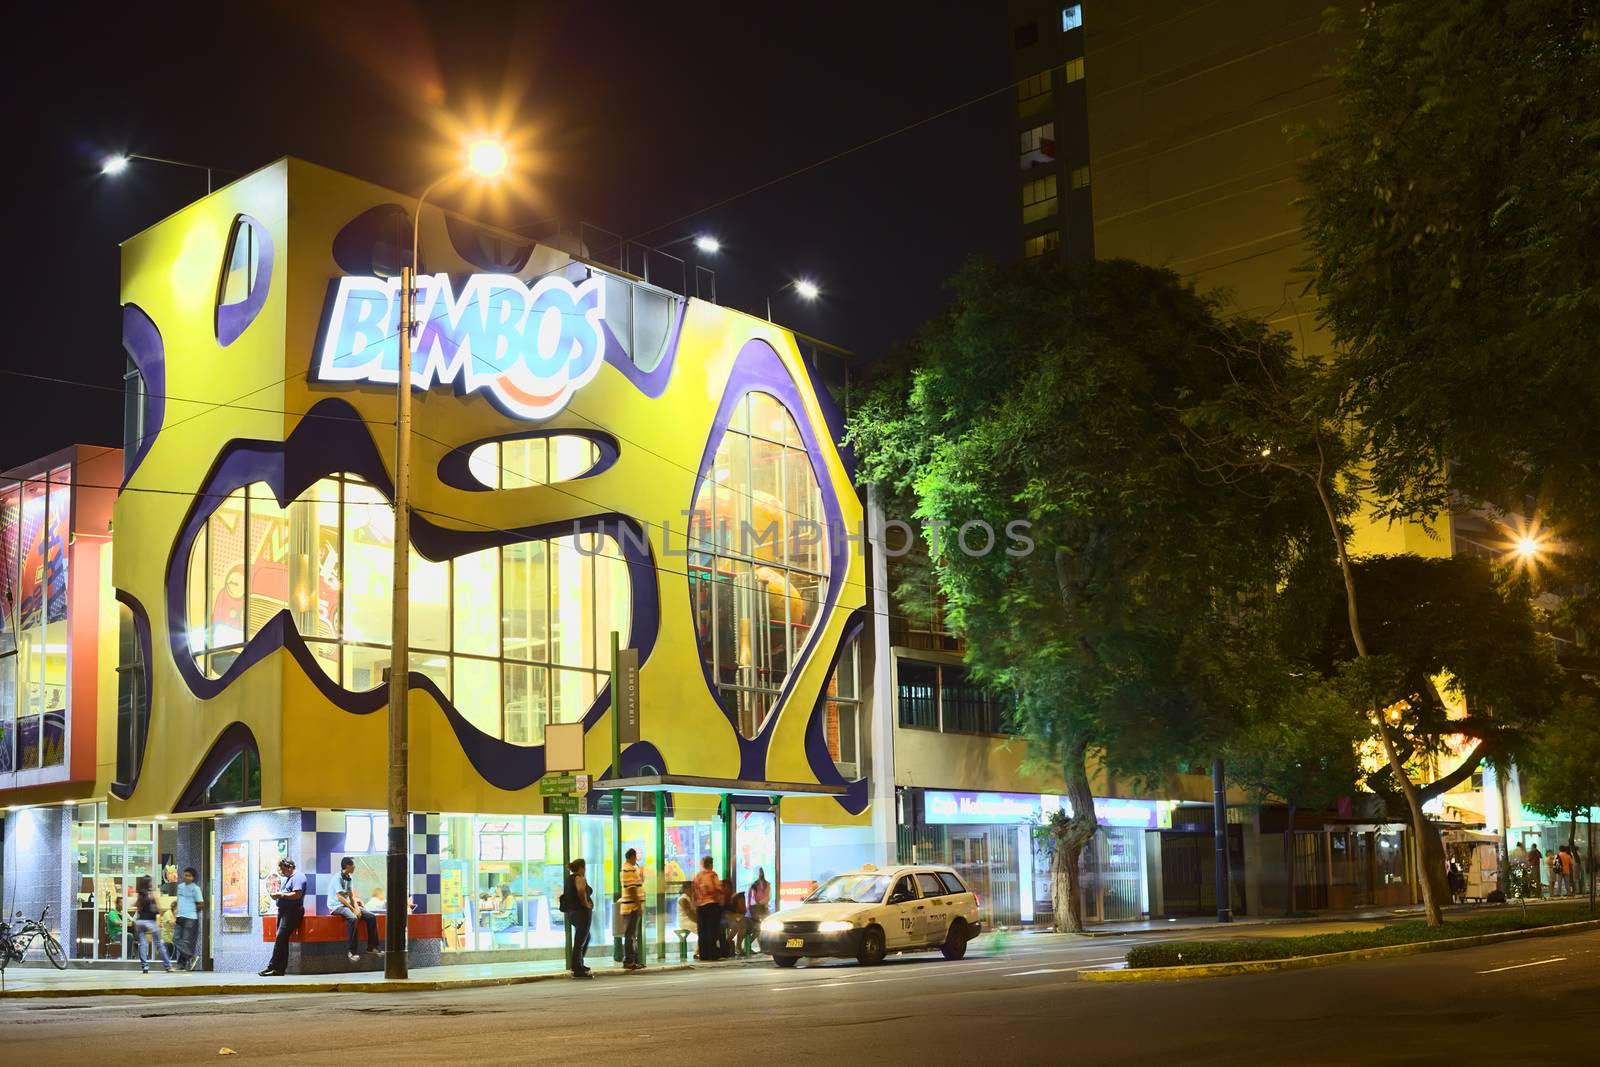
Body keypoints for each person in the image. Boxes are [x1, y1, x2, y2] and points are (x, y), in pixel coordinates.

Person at [259, 857, 306, 977]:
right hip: (284, 911)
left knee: (280, 937)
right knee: (282, 940)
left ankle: (272, 966)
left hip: (293, 911)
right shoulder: (288, 878)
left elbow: (297, 894)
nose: (282, 872)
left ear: (290, 867)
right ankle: (279, 969)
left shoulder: (298, 877)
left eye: (283, 870)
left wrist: (281, 895)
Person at [330, 857, 383, 963]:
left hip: (347, 904)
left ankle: (372, 947)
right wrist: (353, 910)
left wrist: (357, 908)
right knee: (353, 918)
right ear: (348, 866)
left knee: (371, 917)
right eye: (353, 865)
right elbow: (340, 897)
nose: (354, 867)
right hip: (336, 906)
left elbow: (351, 896)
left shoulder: (349, 877)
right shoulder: (337, 878)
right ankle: (352, 951)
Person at [561, 858, 594, 977]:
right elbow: (580, 891)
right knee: (580, 940)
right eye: (584, 867)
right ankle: (577, 967)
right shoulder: (579, 878)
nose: (585, 870)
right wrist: (586, 903)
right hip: (581, 912)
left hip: (572, 913)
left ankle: (579, 962)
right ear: (581, 868)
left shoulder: (569, 879)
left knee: (585, 937)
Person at [133, 875, 173, 974]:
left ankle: (145, 966)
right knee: (159, 944)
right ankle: (168, 966)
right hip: (151, 922)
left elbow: (137, 909)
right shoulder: (152, 894)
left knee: (143, 943)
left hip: (140, 922)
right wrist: (160, 915)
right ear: (149, 883)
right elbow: (159, 909)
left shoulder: (140, 895)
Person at [692, 856, 724, 961]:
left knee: (702, 931)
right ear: (710, 864)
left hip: (700, 907)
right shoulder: (712, 875)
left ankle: (703, 954)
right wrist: (721, 901)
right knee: (712, 930)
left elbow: (694, 891)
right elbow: (718, 889)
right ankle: (712, 954)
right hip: (711, 905)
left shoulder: (698, 876)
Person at [173, 866, 204, 971]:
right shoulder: (180, 887)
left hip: (190, 918)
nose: (186, 877)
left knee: (186, 941)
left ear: (193, 878)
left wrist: (191, 909)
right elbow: (179, 901)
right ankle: (191, 957)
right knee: (175, 939)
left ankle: (181, 964)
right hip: (179, 917)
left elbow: (201, 904)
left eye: (188, 876)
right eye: (185, 875)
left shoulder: (196, 888)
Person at [620, 847, 645, 970]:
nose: (636, 860)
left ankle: (633, 959)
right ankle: (629, 960)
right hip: (631, 907)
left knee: (632, 935)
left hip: (633, 906)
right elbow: (631, 889)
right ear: (631, 857)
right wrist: (638, 905)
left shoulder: (632, 869)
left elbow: (638, 884)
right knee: (630, 935)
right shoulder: (628, 869)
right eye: (635, 857)